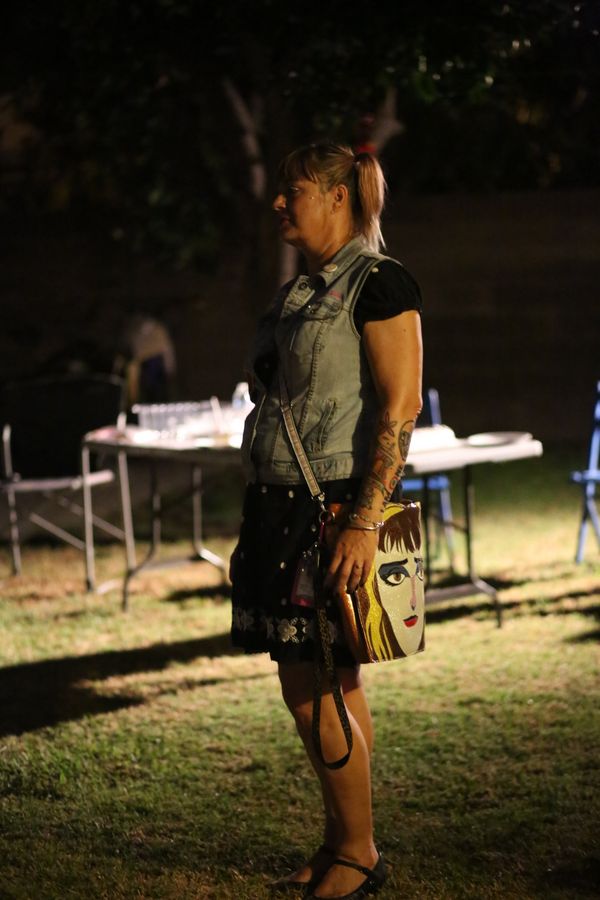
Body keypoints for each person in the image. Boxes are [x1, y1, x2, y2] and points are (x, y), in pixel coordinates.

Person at [230, 142, 423, 899]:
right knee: (319, 682)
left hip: (332, 508)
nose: (280, 202)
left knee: (317, 685)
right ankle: (342, 841)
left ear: (340, 197)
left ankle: (359, 854)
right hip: (278, 504)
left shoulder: (379, 283)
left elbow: (400, 408)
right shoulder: (301, 293)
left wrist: (364, 522)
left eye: (296, 189)